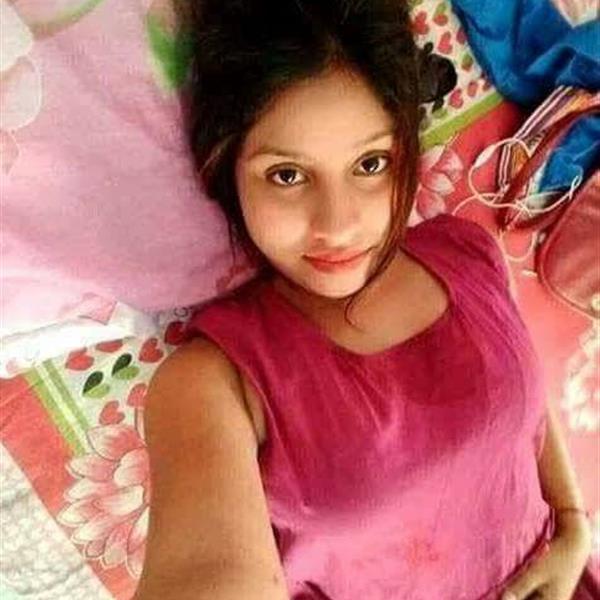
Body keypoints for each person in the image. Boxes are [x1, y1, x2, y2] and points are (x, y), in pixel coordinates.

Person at [132, 2, 594, 599]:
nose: (339, 224)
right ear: (225, 165)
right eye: (287, 175)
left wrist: (573, 524)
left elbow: (523, 400)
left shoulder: (468, 252)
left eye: (370, 164)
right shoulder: (212, 387)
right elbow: (207, 574)